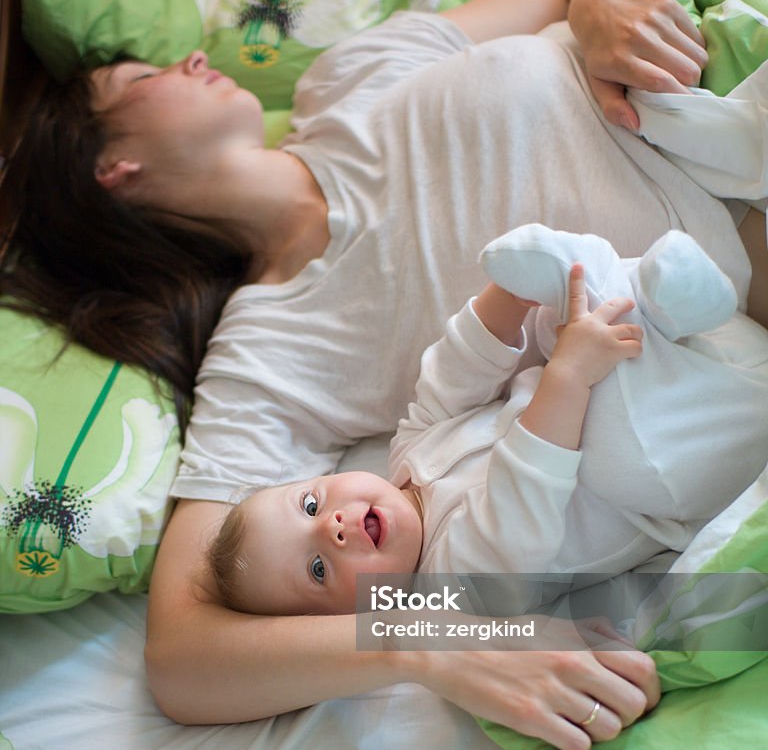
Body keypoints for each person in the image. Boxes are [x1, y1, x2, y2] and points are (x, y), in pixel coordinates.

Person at [5, 0, 762, 750]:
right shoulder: (268, 351)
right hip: (724, 313)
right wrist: (442, 638)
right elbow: (185, 659)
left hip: (717, 104)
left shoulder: (344, 77)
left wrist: (601, 4)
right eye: (139, 77)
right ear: (114, 168)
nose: (193, 56)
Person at [205, 227, 768, 622]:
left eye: (309, 505)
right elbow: (527, 489)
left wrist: (508, 297)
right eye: (320, 568)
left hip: (696, 375)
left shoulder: (405, 460)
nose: (332, 526)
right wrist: (567, 375)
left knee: (556, 316)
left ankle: (664, 293)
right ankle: (651, 299)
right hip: (684, 465)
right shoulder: (457, 588)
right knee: (610, 449)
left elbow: (452, 377)